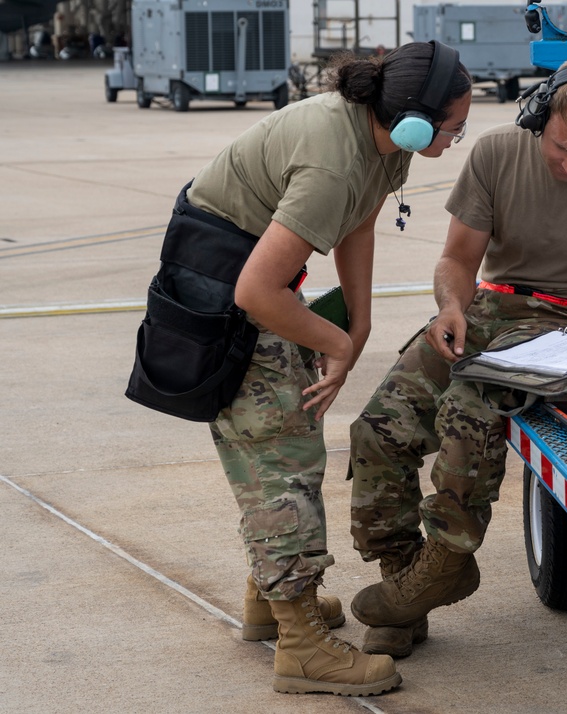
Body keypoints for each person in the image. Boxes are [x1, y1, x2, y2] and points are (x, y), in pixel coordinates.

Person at [348, 55, 567, 658]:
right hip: (487, 309)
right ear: (539, 116)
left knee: (467, 414)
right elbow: (457, 260)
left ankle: (444, 562)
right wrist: (451, 306)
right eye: (561, 148)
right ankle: (407, 584)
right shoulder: (497, 153)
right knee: (377, 429)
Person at [178, 41, 471, 696]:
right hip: (231, 299)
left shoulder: (381, 141)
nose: (457, 138)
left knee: (281, 448)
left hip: (248, 286)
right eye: (454, 127)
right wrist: (335, 345)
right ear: (415, 122)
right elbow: (256, 291)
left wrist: (357, 324)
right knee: (282, 458)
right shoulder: (333, 163)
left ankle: (270, 601)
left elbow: (358, 222)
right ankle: (301, 645)